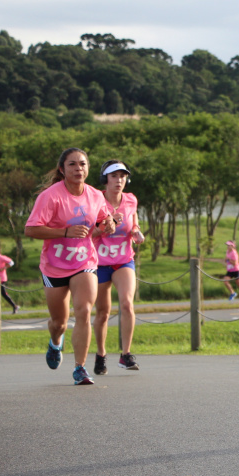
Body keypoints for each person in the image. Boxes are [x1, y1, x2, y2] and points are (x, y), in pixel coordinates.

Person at [25, 148, 115, 385]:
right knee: (59, 323)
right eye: (73, 164)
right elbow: (31, 229)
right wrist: (64, 232)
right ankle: (55, 342)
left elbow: (104, 218)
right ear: (62, 169)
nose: (79, 169)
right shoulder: (50, 196)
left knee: (84, 311)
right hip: (54, 266)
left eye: (83, 164)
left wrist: (109, 224)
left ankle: (80, 368)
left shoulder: (95, 195)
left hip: (84, 261)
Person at [92, 160, 145, 375]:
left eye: (122, 176)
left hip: (124, 259)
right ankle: (101, 355)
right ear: (106, 179)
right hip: (99, 262)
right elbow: (90, 232)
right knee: (103, 312)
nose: (119, 180)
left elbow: (133, 221)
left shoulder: (131, 199)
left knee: (127, 304)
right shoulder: (96, 200)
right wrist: (109, 222)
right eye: (114, 176)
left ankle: (126, 354)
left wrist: (136, 231)